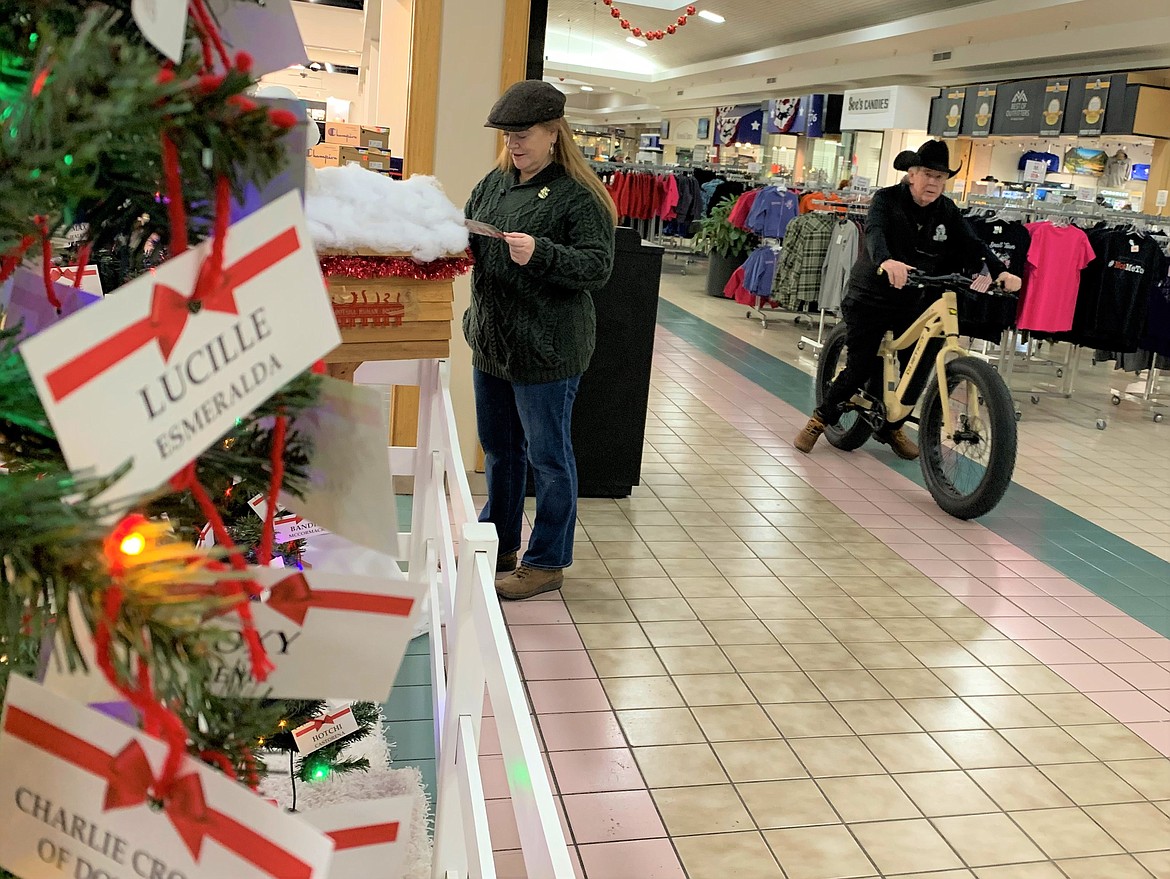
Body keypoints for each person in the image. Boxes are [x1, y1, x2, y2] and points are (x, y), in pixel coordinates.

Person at [464, 80, 617, 601]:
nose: (514, 144)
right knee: (500, 452)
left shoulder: (579, 196)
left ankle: (547, 560)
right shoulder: (493, 184)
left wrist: (544, 254)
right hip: (493, 344)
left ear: (555, 133)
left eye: (524, 134)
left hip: (547, 348)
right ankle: (500, 542)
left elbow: (598, 267)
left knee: (549, 458)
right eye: (508, 136)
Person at [794, 140, 1022, 459]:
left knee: (921, 361)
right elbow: (874, 233)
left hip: (915, 298)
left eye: (940, 178)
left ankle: (892, 426)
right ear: (912, 174)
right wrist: (886, 261)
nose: (933, 183)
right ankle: (820, 419)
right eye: (928, 174)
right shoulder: (886, 200)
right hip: (871, 296)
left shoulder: (947, 211)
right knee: (860, 365)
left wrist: (999, 271)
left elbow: (973, 244)